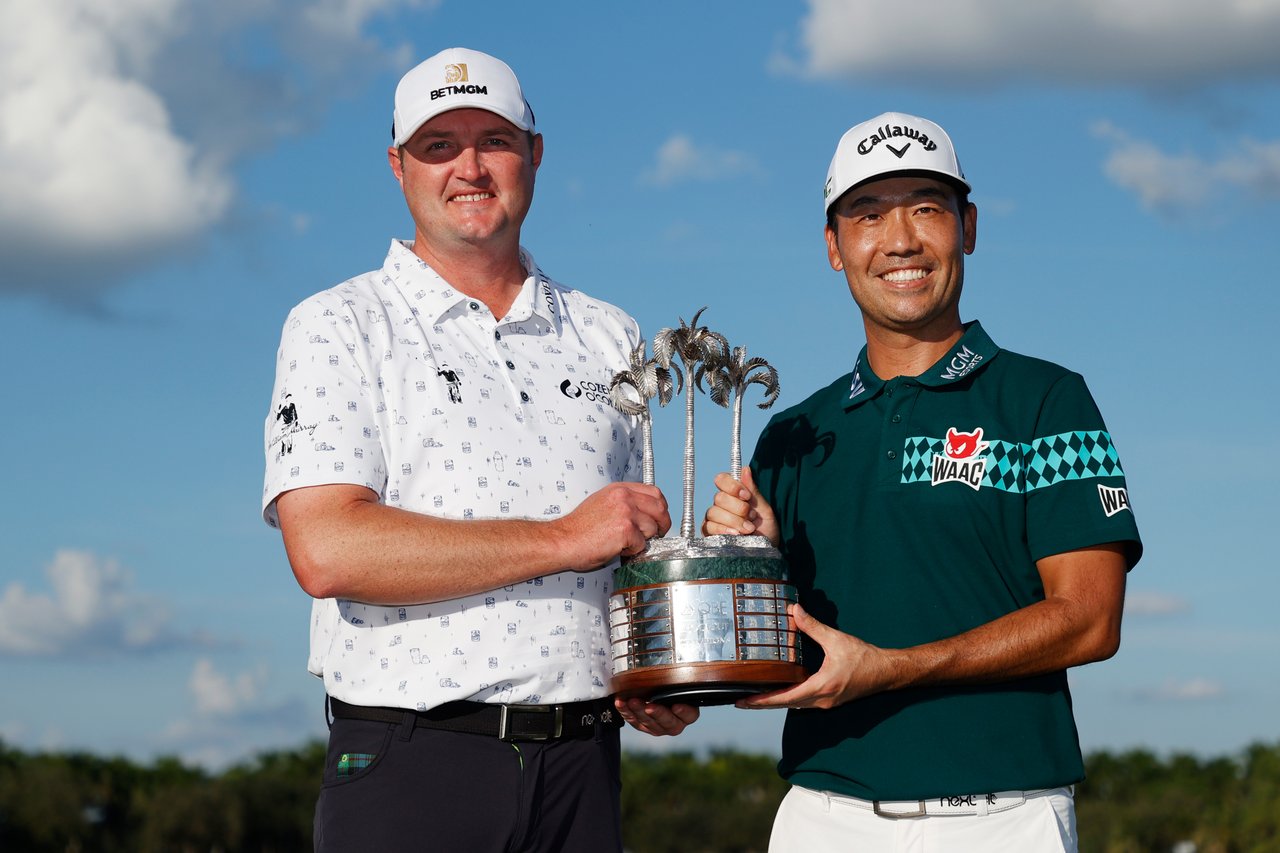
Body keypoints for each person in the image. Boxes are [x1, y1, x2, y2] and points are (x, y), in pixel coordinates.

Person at [262, 47, 696, 853]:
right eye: (439, 145)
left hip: (584, 766)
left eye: (493, 139)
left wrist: (656, 676)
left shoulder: (610, 334)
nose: (469, 165)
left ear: (534, 152)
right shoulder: (337, 322)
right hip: (413, 762)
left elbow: (627, 552)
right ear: (399, 167)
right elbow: (327, 547)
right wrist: (565, 537)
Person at [703, 112, 1141, 852]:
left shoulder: (1045, 400)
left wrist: (892, 670)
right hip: (822, 811)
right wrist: (758, 564)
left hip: (1004, 816)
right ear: (834, 248)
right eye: (869, 215)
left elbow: (1092, 619)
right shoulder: (792, 435)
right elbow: (782, 644)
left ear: (969, 227)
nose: (900, 240)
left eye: (927, 208)